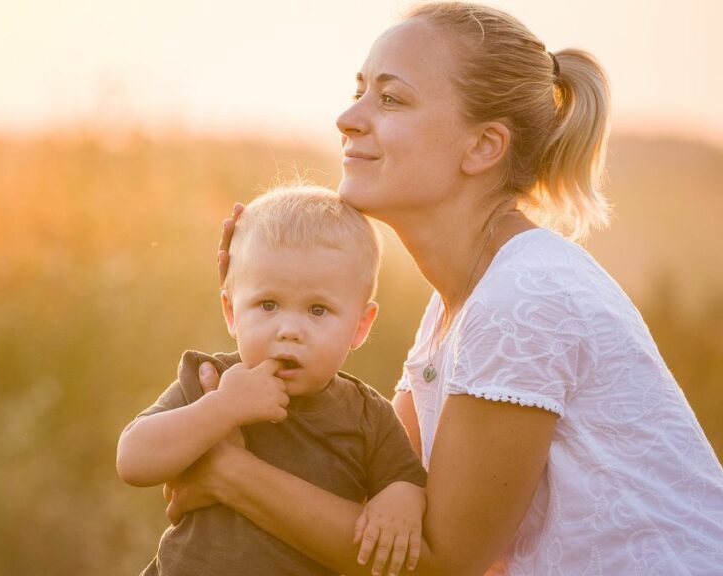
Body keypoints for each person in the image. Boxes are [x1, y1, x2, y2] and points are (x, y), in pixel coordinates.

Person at [162, 3, 723, 575]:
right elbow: (361, 477)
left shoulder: (522, 299)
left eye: (390, 98)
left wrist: (230, 474)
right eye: (359, 90)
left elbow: (440, 561)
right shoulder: (462, 301)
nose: (347, 117)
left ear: (483, 146)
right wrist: (257, 291)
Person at [117, 185, 428, 576]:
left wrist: (401, 501)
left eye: (318, 310)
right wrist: (223, 408)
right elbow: (133, 460)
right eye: (268, 305)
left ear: (360, 326)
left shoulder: (368, 416)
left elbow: (407, 481)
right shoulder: (212, 380)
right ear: (231, 312)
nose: (289, 329)